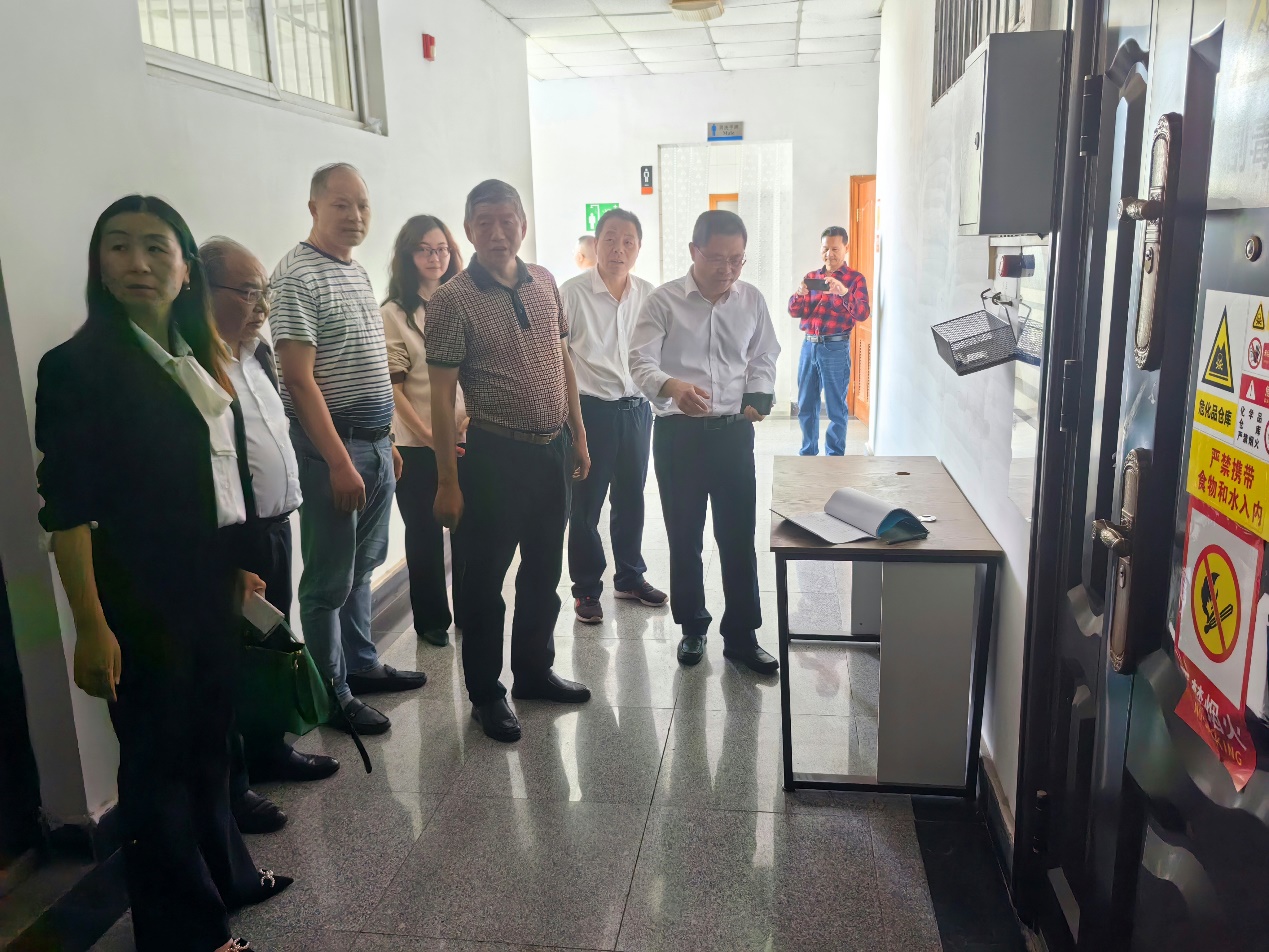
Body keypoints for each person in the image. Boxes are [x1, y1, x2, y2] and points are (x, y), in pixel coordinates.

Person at [35, 196, 291, 952]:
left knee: (211, 745)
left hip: (207, 581)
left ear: (185, 270)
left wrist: (237, 566)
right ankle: (184, 933)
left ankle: (229, 878)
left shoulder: (198, 355)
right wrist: (90, 625)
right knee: (158, 767)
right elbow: (67, 512)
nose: (137, 263)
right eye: (118, 246)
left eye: (155, 247)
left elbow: (222, 473)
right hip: (140, 595)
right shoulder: (78, 367)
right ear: (99, 264)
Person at [427, 179, 592, 743]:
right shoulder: (451, 299)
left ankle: (534, 673)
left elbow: (563, 362)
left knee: (544, 573)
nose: (497, 233)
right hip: (494, 457)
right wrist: (447, 481)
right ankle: (486, 694)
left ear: (523, 223)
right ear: (468, 229)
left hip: (552, 451)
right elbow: (441, 397)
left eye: (507, 221)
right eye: (485, 223)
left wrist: (579, 434)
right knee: (483, 583)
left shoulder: (544, 280)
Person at [270, 163, 426, 737]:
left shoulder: (354, 271)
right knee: (327, 582)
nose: (355, 216)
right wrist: (338, 460)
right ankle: (332, 694)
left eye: (362, 205)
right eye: (341, 204)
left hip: (373, 443)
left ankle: (361, 664)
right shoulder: (296, 277)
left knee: (363, 567)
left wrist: (386, 439)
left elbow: (369, 363)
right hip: (332, 450)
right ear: (314, 208)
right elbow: (298, 380)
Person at [201, 236, 341, 836]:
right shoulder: (197, 365)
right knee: (235, 662)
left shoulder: (256, 355)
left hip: (277, 526)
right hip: (236, 537)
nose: (261, 306)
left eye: (264, 293)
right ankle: (235, 787)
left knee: (270, 650)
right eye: (246, 292)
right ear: (202, 291)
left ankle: (269, 751)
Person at [629, 209, 781, 674]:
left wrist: (759, 391)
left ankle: (742, 636)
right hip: (680, 437)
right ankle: (692, 627)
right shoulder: (663, 301)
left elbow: (764, 354)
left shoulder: (751, 300)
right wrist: (671, 386)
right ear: (694, 251)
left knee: (737, 538)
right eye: (717, 258)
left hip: (733, 435)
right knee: (684, 537)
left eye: (737, 259)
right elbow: (639, 362)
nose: (728, 269)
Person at [560, 208, 666, 624]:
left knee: (631, 498)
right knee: (586, 504)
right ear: (596, 243)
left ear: (638, 248)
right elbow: (559, 359)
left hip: (637, 411)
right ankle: (586, 589)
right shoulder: (571, 294)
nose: (618, 249)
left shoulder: (649, 295)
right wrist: (571, 425)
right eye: (610, 239)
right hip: (591, 412)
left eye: (628, 241)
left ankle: (629, 577)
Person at [381, 215, 468, 648]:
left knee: (470, 528)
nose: (436, 257)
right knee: (423, 532)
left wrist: (470, 420)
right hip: (417, 443)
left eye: (442, 249)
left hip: (467, 437)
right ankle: (432, 619)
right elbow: (395, 389)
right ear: (408, 255)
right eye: (425, 249)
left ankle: (470, 610)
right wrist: (432, 437)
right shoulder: (393, 314)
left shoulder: (463, 302)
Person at [788, 225, 870, 457]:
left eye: (835, 249)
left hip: (835, 347)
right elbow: (794, 311)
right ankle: (808, 453)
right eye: (825, 249)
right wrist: (799, 295)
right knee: (806, 404)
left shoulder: (855, 279)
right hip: (809, 346)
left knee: (835, 407)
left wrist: (843, 292)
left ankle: (835, 457)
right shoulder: (812, 278)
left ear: (846, 248)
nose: (829, 254)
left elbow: (862, 313)